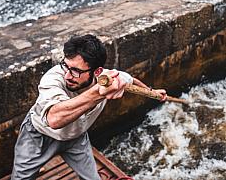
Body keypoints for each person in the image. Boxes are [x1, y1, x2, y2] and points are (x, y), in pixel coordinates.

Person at [11, 34, 166, 180]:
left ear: (97, 71)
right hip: (39, 135)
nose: (67, 75)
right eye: (66, 66)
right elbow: (54, 119)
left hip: (76, 137)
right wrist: (99, 92)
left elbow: (130, 80)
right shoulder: (52, 78)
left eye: (76, 71)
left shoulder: (107, 77)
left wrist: (152, 92)